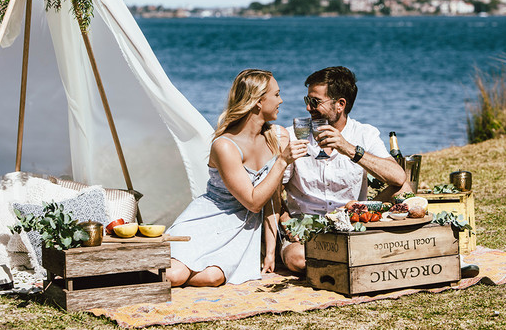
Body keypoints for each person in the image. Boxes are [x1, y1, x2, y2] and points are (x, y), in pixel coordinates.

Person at [166, 69, 308, 287]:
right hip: (209, 218)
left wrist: (270, 252)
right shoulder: (225, 146)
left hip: (242, 227)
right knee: (174, 276)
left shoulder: (278, 137)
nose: (282, 100)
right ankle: (126, 273)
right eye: (277, 94)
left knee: (213, 278)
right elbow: (253, 202)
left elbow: (273, 199)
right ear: (259, 101)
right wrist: (281, 162)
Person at [281, 66, 411, 272]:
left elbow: (398, 177)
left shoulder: (364, 134)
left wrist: (348, 148)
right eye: (307, 101)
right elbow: (270, 189)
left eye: (315, 102)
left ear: (340, 104)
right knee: (297, 259)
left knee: (405, 190)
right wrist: (285, 219)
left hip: (352, 221)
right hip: (305, 229)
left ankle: (344, 258)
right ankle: (360, 258)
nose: (308, 108)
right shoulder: (293, 135)